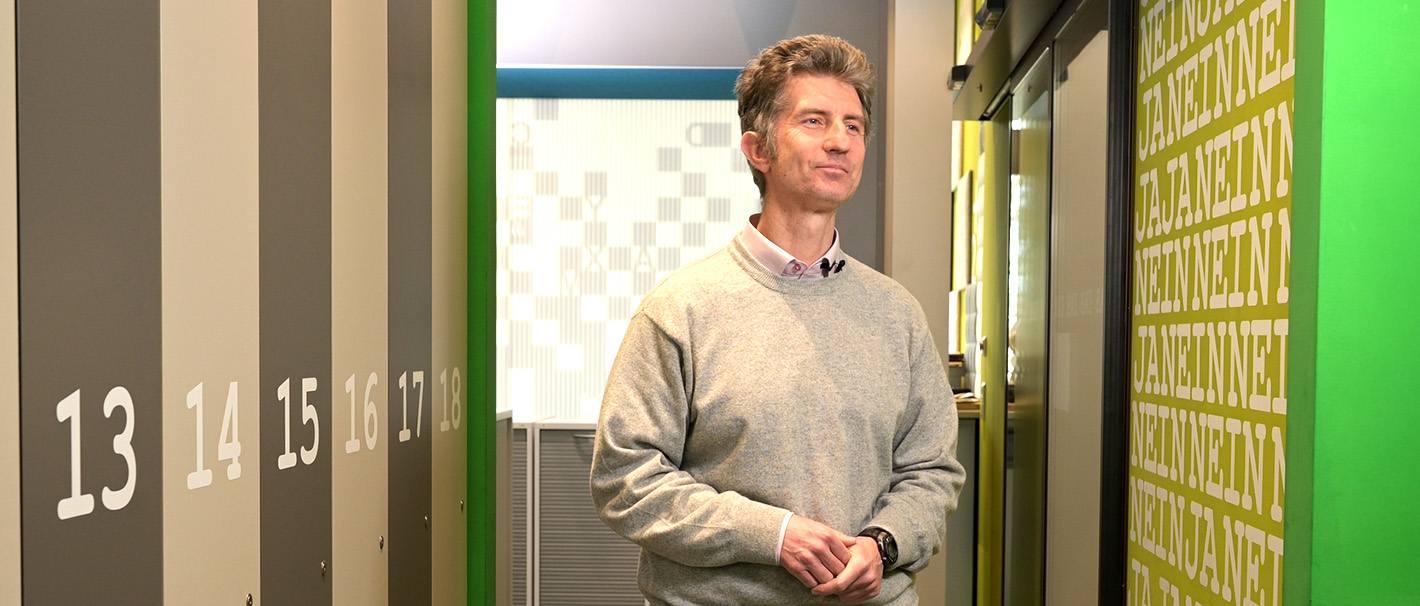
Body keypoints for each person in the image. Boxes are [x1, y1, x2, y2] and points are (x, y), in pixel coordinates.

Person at [590, 34, 965, 605]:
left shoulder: (898, 314)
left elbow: (932, 470)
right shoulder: (681, 309)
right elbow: (626, 478)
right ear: (757, 149)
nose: (840, 140)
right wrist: (773, 534)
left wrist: (883, 544)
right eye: (814, 121)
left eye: (854, 125)